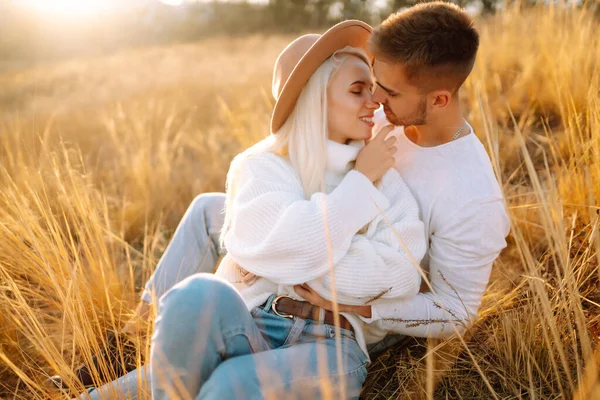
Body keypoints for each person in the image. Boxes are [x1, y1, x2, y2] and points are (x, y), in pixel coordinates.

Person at [52, 1, 510, 398]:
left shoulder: (471, 197)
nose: (376, 102)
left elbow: (456, 309)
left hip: (355, 311)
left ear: (440, 98)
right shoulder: (384, 117)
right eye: (370, 84)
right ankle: (135, 336)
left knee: (247, 282)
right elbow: (302, 156)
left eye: (387, 92)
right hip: (309, 259)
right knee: (210, 211)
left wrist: (359, 305)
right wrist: (267, 243)